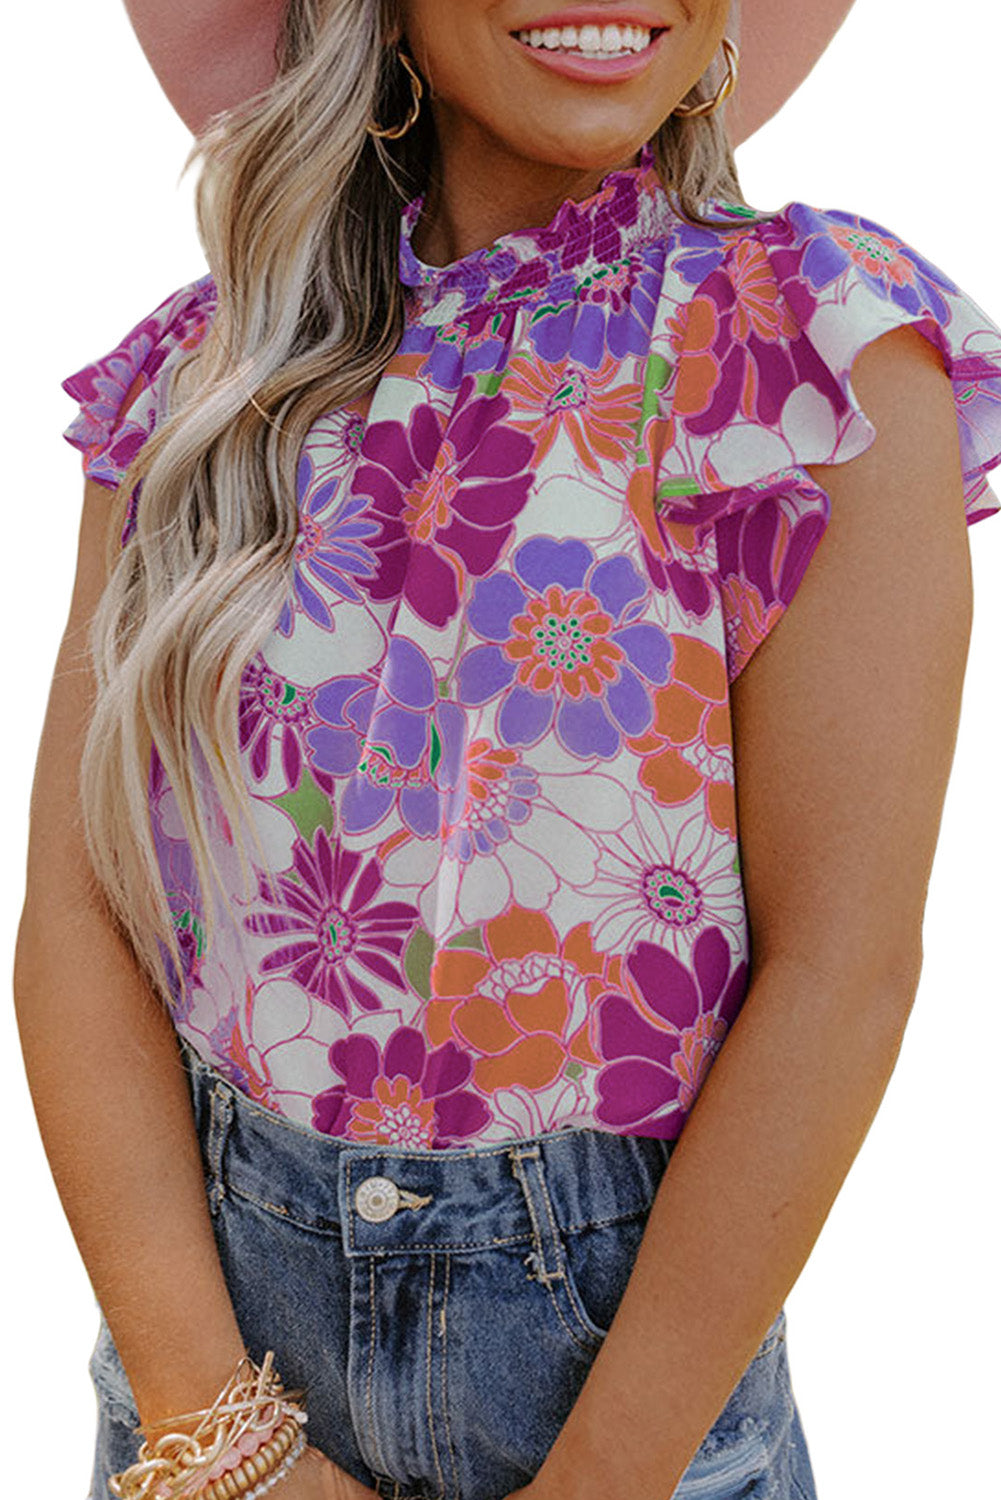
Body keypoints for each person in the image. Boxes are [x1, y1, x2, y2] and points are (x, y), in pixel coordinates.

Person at [13, 2, 1001, 1499]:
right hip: (213, 1383)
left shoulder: (804, 359)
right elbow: (81, 917)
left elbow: (841, 969)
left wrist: (604, 1476)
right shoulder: (210, 381)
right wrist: (213, 1429)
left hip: (635, 1404)